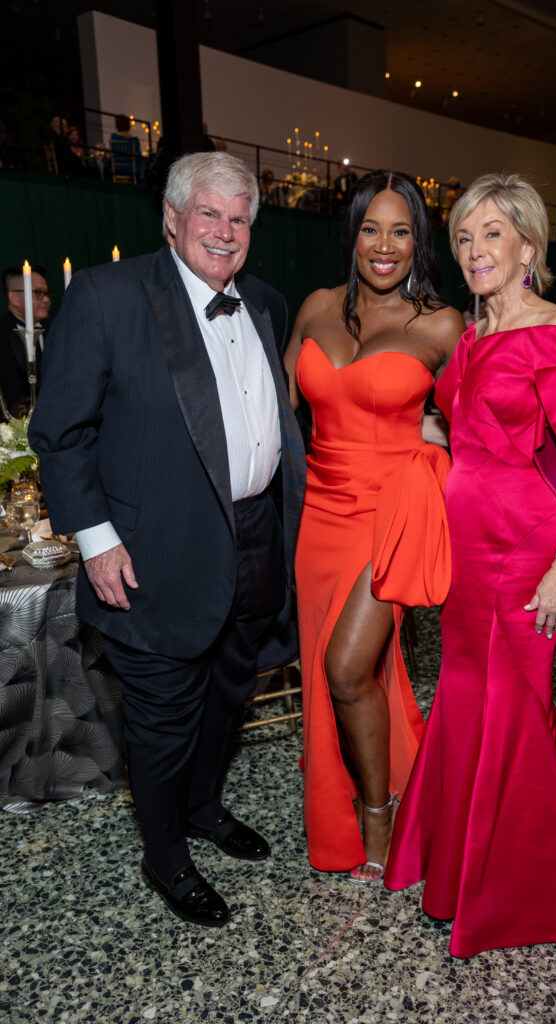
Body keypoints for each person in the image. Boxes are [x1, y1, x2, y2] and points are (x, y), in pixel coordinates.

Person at [29, 152, 306, 927]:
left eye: (239, 217)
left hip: (255, 539)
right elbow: (60, 432)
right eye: (209, 214)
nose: (224, 231)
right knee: (162, 720)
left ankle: (205, 809)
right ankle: (166, 856)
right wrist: (95, 539)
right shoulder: (108, 294)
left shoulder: (267, 303)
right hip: (150, 556)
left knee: (229, 696)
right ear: (174, 219)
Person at [384, 172, 556, 957]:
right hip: (465, 552)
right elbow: (468, 430)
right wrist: (428, 441)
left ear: (528, 246)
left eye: (491, 235)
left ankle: (521, 893)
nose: (474, 251)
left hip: (527, 547)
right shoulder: (472, 336)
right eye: (463, 238)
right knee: (476, 699)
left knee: (513, 705)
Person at [284, 170, 465, 880]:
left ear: (418, 240)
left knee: (346, 667)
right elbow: (276, 411)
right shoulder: (315, 307)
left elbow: (478, 430)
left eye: (400, 231)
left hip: (391, 517)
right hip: (318, 517)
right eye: (370, 228)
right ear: (351, 233)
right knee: (342, 675)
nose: (383, 246)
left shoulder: (441, 324)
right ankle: (389, 788)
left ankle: (377, 812)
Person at [0, 265, 50, 417]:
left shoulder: (55, 331)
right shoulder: (2, 333)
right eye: (38, 293)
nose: (47, 299)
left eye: (47, 293)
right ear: (14, 297)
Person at [109, 114, 144, 182]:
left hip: (117, 167)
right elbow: (139, 156)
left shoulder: (114, 137)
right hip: (131, 168)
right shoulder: (134, 140)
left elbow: (112, 153)